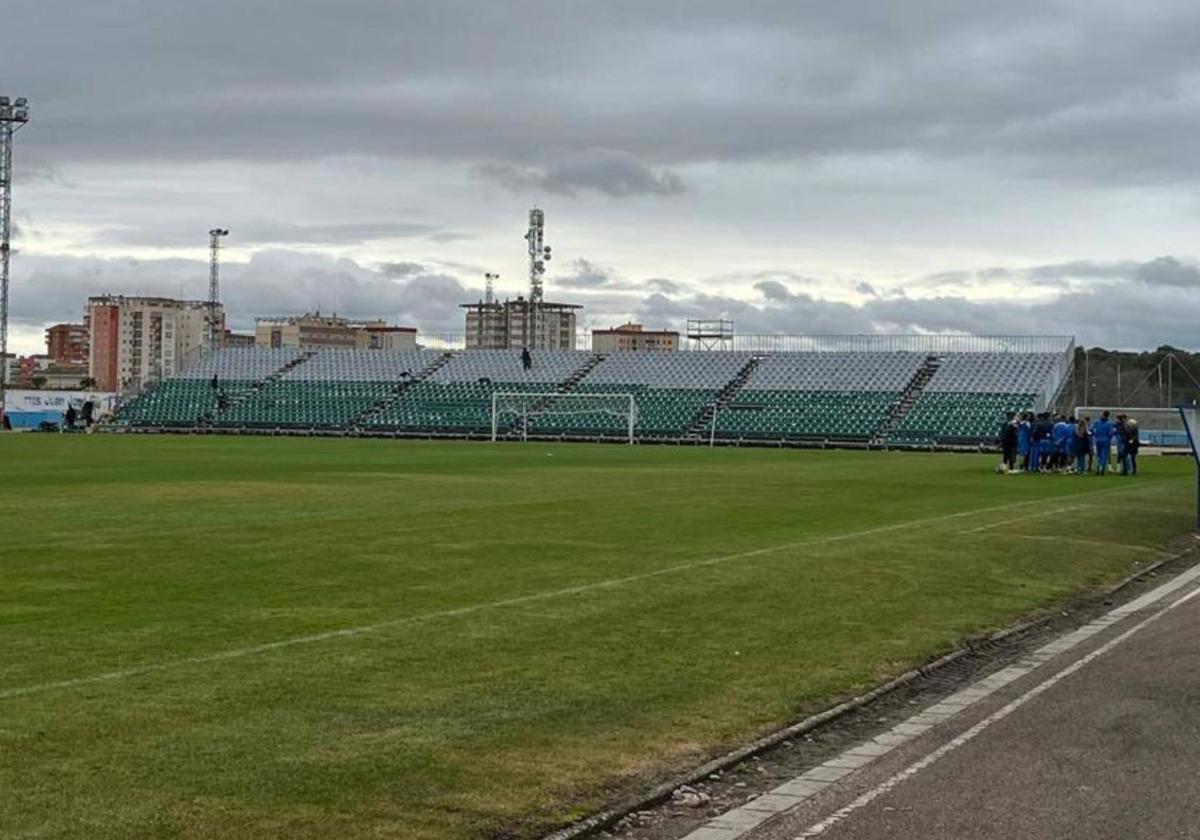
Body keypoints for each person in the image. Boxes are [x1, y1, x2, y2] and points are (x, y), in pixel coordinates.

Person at [1092, 410, 1114, 475]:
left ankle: (1098, 467)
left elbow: (1092, 430)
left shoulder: (1097, 422)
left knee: (1099, 455)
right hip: (1106, 440)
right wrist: (1109, 438)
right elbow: (1111, 433)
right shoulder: (1109, 423)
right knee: (1104, 455)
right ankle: (1101, 468)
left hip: (1098, 440)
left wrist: (1096, 435)